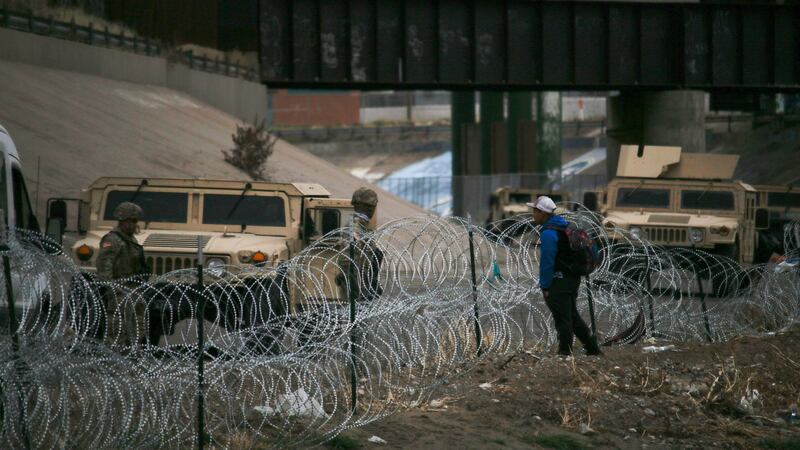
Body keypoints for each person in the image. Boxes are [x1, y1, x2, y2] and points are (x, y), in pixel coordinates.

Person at [529, 195, 601, 357]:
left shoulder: (549, 232)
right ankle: (592, 348)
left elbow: (547, 262)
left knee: (563, 318)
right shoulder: (564, 226)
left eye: (535, 211)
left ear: (543, 213)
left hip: (559, 280)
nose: (533, 214)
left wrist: (545, 285)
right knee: (572, 316)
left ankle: (564, 352)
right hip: (571, 278)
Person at [96, 201, 149, 345]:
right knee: (117, 328)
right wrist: (111, 290)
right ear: (122, 221)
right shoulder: (112, 239)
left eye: (135, 221)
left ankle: (131, 353)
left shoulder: (130, 239)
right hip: (119, 290)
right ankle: (114, 357)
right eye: (131, 221)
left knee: (138, 326)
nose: (133, 225)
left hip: (133, 289)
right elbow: (104, 266)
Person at [339, 187, 383, 302]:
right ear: (372, 208)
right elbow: (349, 262)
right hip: (356, 294)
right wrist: (360, 292)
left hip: (361, 288)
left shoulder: (363, 227)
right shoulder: (355, 227)